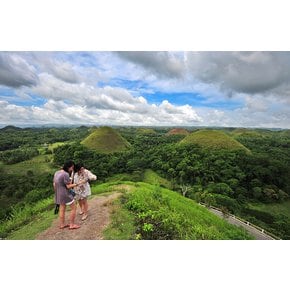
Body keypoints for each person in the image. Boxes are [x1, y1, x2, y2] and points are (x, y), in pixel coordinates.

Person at [53, 160, 84, 230]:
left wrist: (57, 193)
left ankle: (62, 225)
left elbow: (54, 184)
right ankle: (72, 225)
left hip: (58, 194)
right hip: (65, 194)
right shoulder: (65, 174)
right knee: (74, 208)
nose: (72, 169)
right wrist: (77, 184)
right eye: (72, 167)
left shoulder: (57, 172)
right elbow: (68, 186)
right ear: (68, 167)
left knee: (62, 209)